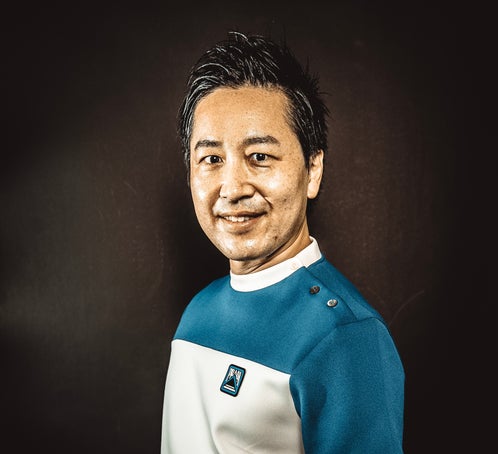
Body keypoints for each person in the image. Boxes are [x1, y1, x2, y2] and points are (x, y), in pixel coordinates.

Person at [161, 31, 405, 453]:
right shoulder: (198, 310)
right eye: (212, 159)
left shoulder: (346, 337)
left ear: (313, 170)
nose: (232, 188)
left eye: (259, 156)